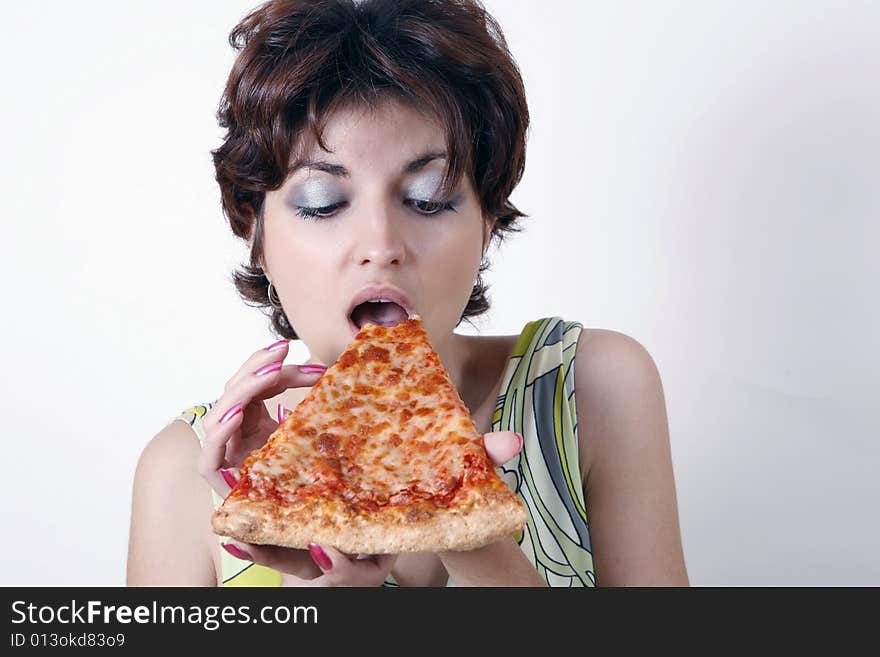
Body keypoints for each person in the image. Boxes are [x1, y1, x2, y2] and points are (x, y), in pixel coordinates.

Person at [127, 0, 689, 587]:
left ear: (487, 223)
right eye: (323, 203)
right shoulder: (181, 476)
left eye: (428, 197)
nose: (382, 243)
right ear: (257, 235)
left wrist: (464, 523)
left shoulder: (589, 388)